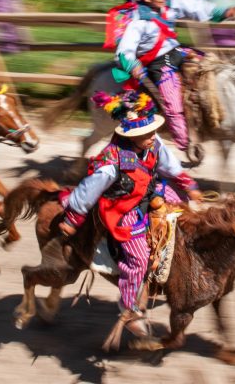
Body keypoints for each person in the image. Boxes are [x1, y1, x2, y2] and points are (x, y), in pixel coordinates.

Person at [56, 90, 202, 335]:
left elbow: (168, 165)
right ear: (130, 136)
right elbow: (89, 189)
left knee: (185, 209)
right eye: (145, 134)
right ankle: (131, 307)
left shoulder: (153, 143)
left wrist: (188, 184)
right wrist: (74, 216)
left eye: (152, 132)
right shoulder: (111, 163)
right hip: (122, 207)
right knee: (137, 257)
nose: (152, 137)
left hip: (151, 191)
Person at [115, 0, 235, 153]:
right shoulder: (138, 20)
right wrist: (132, 64)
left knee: (212, 67)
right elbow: (124, 49)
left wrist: (221, 11)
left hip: (177, 51)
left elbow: (195, 6)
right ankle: (186, 143)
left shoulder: (169, 3)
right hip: (157, 62)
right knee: (172, 100)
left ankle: (215, 117)